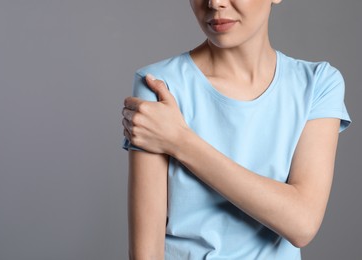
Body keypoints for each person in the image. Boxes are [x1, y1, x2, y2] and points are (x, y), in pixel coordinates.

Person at [121, 0, 351, 259]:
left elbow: (302, 223)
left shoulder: (317, 84)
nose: (214, 3)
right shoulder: (158, 85)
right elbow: (146, 254)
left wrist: (180, 141)